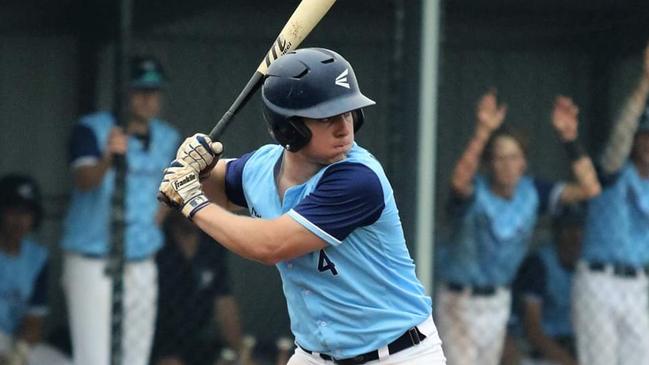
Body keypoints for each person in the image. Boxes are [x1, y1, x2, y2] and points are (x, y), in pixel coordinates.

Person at [158, 47, 446, 365]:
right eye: (327, 117)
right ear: (288, 128)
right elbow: (216, 188)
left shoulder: (357, 179)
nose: (344, 127)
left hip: (396, 355)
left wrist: (193, 201)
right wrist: (196, 167)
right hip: (314, 356)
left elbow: (270, 245)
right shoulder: (261, 167)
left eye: (349, 112)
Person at [435, 89, 601, 365]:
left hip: (498, 300)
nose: (508, 165)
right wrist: (482, 133)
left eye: (514, 157)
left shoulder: (531, 191)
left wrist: (569, 138)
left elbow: (590, 188)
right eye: (500, 158)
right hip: (459, 301)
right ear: (489, 164)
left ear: (524, 161)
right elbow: (459, 182)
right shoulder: (477, 191)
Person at [60, 56, 180, 365]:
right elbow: (84, 181)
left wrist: (157, 218)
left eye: (154, 91)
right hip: (93, 257)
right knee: (95, 358)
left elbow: (171, 187)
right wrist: (108, 157)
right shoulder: (91, 129)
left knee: (135, 357)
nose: (147, 98)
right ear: (123, 92)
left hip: (141, 258)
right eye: (139, 90)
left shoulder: (167, 136)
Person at [572, 42, 649, 365]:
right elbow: (621, 134)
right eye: (645, 136)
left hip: (638, 285)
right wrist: (645, 83)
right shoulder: (616, 170)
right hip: (599, 282)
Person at [152, 211, 244, 365]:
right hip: (157, 339)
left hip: (197, 340)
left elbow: (223, 301)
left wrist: (240, 352)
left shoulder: (211, 243)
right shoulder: (157, 239)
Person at [0, 174, 71, 365]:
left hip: (14, 342)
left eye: (26, 213)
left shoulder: (37, 257)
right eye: (13, 212)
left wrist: (19, 353)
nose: (19, 220)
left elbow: (34, 321)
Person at [512, 204, 584, 365]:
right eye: (569, 228)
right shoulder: (539, 265)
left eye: (580, 228)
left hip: (576, 342)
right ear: (558, 231)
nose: (576, 235)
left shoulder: (589, 266)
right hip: (542, 345)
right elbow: (533, 330)